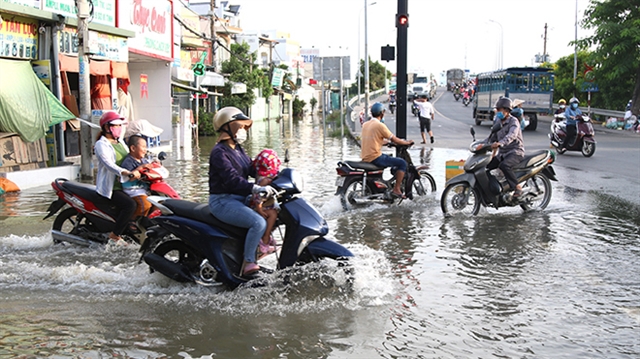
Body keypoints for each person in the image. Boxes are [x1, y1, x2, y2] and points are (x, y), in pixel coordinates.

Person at [208, 107, 277, 276]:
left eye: (244, 128)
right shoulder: (219, 152)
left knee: (273, 210)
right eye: (240, 127)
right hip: (223, 201)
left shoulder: (238, 149)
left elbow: (251, 169)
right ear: (228, 127)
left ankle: (260, 246)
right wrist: (256, 188)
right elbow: (231, 180)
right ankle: (248, 263)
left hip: (240, 198)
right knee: (258, 222)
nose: (243, 131)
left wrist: (272, 174)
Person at [94, 111, 138, 243]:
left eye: (120, 126)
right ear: (107, 128)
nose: (119, 128)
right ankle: (115, 234)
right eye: (116, 125)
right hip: (111, 187)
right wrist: (125, 172)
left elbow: (131, 156)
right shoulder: (101, 144)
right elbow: (108, 164)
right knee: (130, 205)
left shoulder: (120, 143)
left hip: (125, 184)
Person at [361, 102, 414, 199]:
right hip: (375, 157)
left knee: (390, 159)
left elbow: (373, 138)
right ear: (381, 113)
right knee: (402, 163)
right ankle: (397, 189)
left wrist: (384, 142)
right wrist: (406, 143)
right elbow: (394, 139)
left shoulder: (366, 124)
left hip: (365, 156)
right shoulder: (380, 125)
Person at [486, 97, 525, 197]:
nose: (497, 111)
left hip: (515, 152)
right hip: (502, 153)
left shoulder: (514, 121)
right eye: (497, 109)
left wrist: (501, 143)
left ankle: (517, 187)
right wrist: (483, 145)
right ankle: (495, 188)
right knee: (486, 166)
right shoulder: (498, 121)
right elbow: (492, 136)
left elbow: (512, 135)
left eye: (499, 109)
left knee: (504, 166)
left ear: (506, 110)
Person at [250, 149, 282, 257]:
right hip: (261, 206)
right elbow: (259, 195)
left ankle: (267, 235)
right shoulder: (264, 180)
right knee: (273, 214)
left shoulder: (263, 177)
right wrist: (259, 207)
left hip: (266, 204)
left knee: (278, 212)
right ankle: (265, 238)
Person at [121, 135, 154, 219]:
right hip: (134, 190)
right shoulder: (128, 161)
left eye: (146, 147)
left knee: (159, 202)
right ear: (133, 148)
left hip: (144, 189)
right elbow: (129, 177)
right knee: (146, 204)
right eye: (143, 147)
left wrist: (155, 165)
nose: (145, 150)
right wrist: (139, 169)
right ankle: (133, 220)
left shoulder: (144, 160)